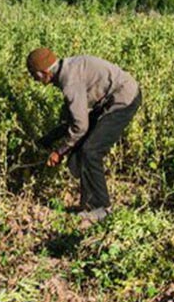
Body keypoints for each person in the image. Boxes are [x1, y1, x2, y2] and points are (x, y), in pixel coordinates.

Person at [26, 48, 141, 225]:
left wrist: (59, 151)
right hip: (110, 99)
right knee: (81, 148)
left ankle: (101, 208)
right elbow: (75, 119)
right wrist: (46, 141)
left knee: (91, 151)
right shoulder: (67, 68)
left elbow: (80, 126)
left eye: (34, 76)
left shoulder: (69, 82)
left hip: (123, 99)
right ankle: (88, 205)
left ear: (44, 73)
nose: (35, 80)